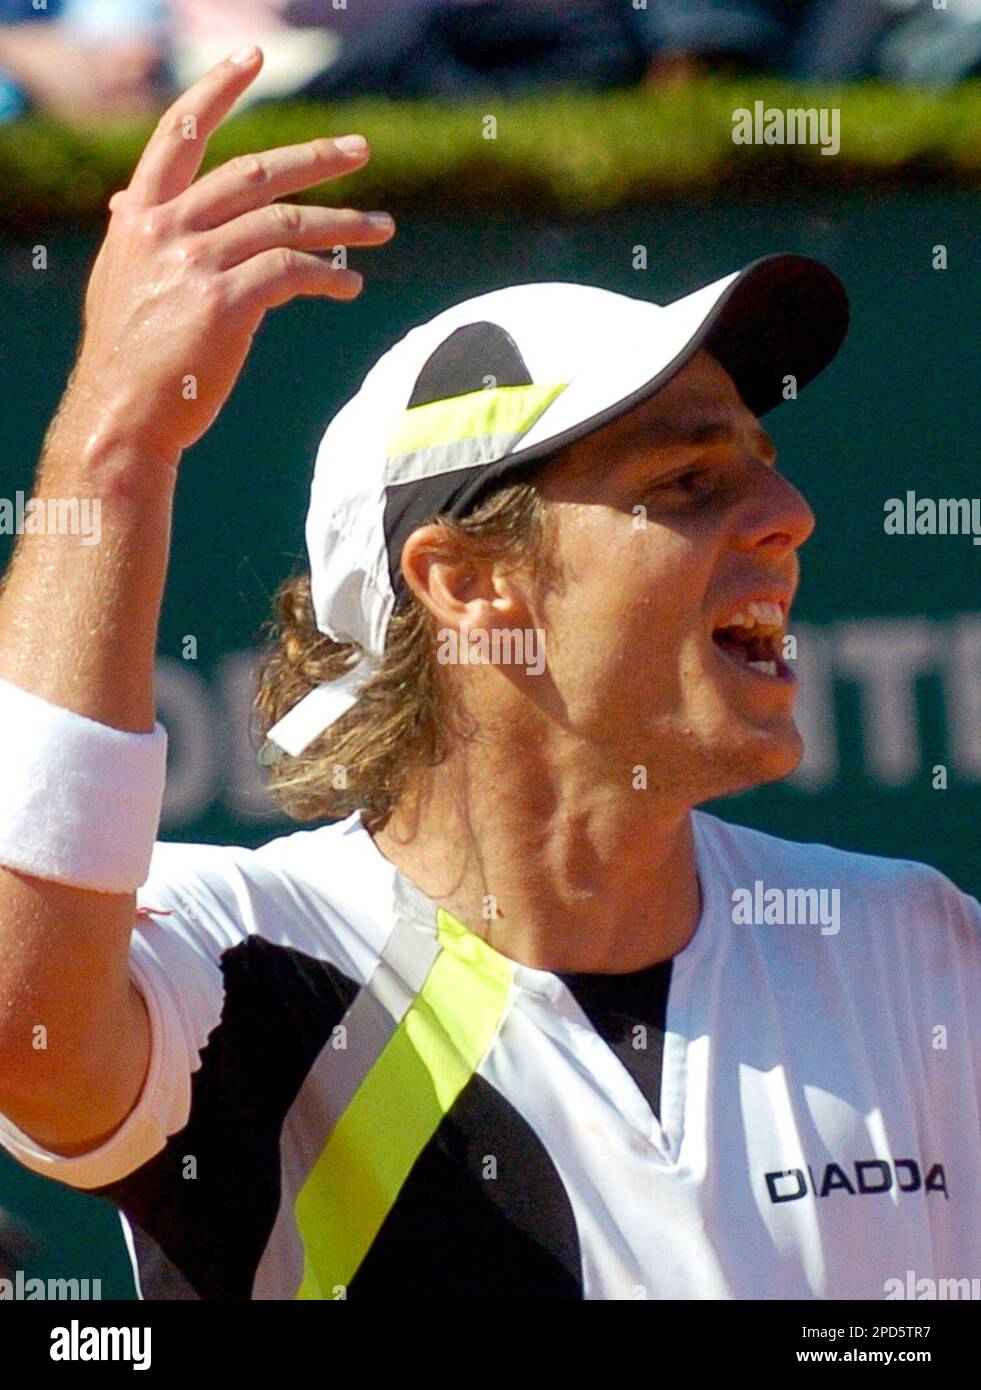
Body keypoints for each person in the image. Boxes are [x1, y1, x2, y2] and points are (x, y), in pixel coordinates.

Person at [0, 48, 977, 1301]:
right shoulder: (241, 959)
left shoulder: (918, 946)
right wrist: (115, 439)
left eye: (764, 463)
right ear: (467, 583)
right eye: (688, 483)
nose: (788, 513)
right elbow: (28, 1028)